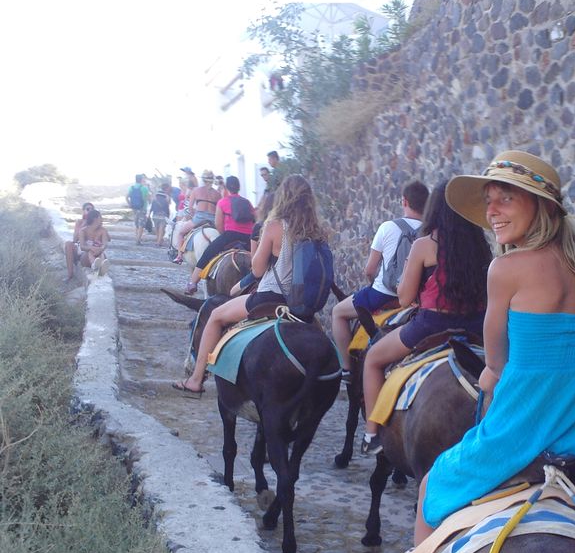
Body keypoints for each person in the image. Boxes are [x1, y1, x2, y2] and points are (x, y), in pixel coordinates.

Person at [411, 151, 575, 553]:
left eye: (506, 199)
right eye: (489, 200)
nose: (492, 211)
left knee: (430, 486)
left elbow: (495, 365)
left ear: (543, 206)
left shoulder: (506, 268)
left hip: (518, 438)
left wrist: (494, 376)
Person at [360, 180, 492, 455]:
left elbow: (406, 299)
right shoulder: (481, 246)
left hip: (432, 325)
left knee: (373, 359)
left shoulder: (424, 245)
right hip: (477, 327)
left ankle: (372, 434)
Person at [173, 174, 327, 395]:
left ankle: (196, 380)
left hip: (271, 297)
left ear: (284, 197)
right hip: (303, 303)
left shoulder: (274, 226)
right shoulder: (319, 231)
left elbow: (257, 269)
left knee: (215, 316)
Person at [331, 180, 429, 386]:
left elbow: (370, 269)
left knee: (338, 313)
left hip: (383, 295)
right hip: (416, 299)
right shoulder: (431, 232)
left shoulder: (388, 227)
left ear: (404, 201)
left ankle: (347, 369)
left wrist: (374, 282)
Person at [184, 175, 255, 295]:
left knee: (207, 254)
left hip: (230, 235)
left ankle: (193, 283)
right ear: (239, 187)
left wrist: (224, 236)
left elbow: (218, 223)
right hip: (248, 237)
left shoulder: (223, 202)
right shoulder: (247, 203)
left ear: (227, 188)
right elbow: (254, 220)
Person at [172, 169, 222, 263]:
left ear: (203, 179)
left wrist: (194, 215)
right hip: (212, 220)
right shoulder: (218, 194)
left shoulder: (196, 191)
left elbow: (190, 207)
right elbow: (219, 210)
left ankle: (179, 256)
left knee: (181, 233)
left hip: (199, 218)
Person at [65, 202, 94, 281]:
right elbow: (75, 239)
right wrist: (83, 224)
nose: (90, 211)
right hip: (79, 247)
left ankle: (97, 267)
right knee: (68, 244)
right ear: (83, 211)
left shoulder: (95, 223)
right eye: (88, 209)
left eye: (92, 210)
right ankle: (70, 275)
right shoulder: (79, 222)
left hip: (87, 250)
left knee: (89, 253)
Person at [78, 209, 111, 276]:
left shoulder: (103, 230)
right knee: (91, 252)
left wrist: (100, 249)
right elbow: (82, 247)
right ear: (95, 219)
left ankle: (101, 267)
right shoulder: (83, 231)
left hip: (99, 253)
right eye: (100, 217)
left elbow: (105, 244)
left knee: (101, 254)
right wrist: (92, 248)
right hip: (86, 255)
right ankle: (95, 267)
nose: (102, 220)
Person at [126, 174, 151, 245]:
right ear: (141, 179)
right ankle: (138, 240)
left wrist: (130, 204)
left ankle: (136, 237)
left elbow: (127, 197)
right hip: (142, 208)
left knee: (136, 224)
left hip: (134, 208)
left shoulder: (131, 187)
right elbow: (148, 199)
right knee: (141, 225)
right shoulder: (144, 188)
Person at [150, 182, 172, 247]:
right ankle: (159, 242)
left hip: (155, 214)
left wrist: (149, 214)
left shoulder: (156, 195)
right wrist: (168, 215)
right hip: (163, 214)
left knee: (156, 228)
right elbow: (168, 206)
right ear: (167, 188)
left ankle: (158, 240)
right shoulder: (167, 196)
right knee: (161, 229)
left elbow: (152, 205)